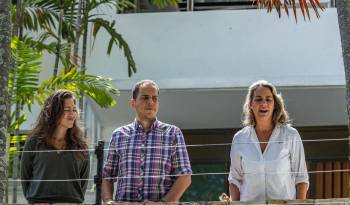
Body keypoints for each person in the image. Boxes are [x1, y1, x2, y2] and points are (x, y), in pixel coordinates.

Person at [102, 80, 192, 203]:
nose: (150, 102)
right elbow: (107, 176)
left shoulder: (173, 133)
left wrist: (163, 204)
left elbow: (185, 176)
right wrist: (107, 200)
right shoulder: (119, 135)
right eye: (145, 98)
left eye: (154, 98)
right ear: (133, 103)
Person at [227, 80, 309, 201]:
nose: (263, 103)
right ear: (250, 104)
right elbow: (235, 180)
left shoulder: (291, 135)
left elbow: (301, 177)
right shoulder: (239, 138)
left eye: (268, 99)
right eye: (258, 99)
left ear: (275, 104)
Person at [20, 89, 90, 203]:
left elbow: (83, 182)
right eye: (67, 109)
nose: (72, 114)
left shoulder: (81, 146)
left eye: (74, 110)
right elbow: (25, 177)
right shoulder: (34, 142)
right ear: (54, 112)